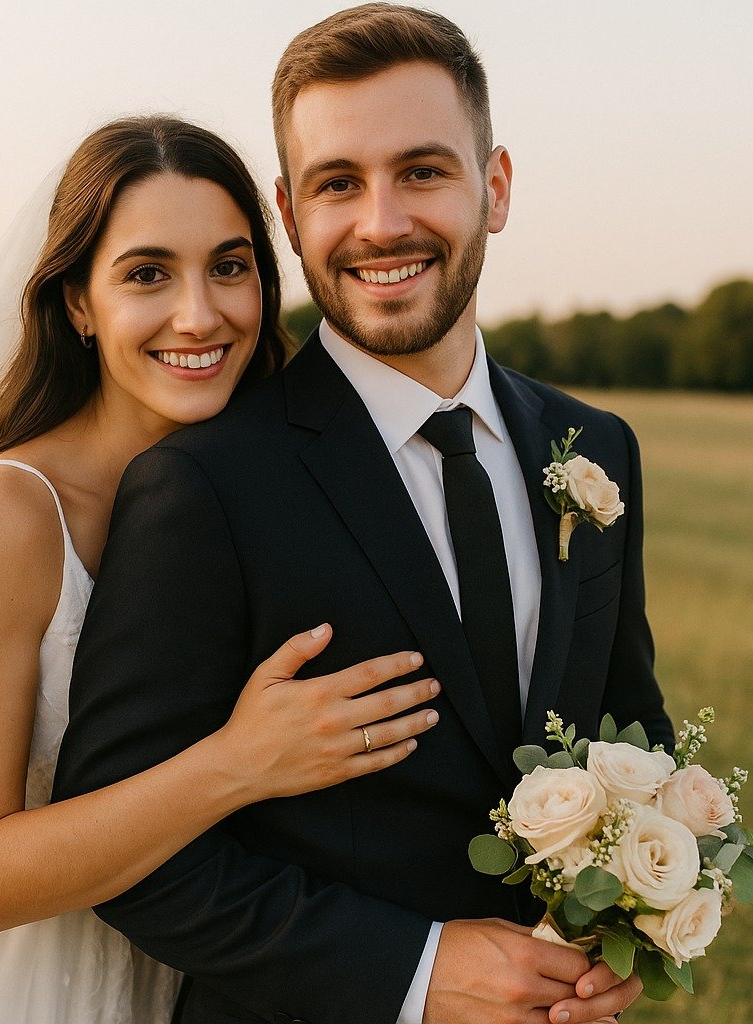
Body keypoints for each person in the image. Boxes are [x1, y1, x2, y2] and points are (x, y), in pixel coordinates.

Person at [52, 6, 676, 1024]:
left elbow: (629, 729)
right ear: (290, 215)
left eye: (423, 171)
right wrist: (417, 970)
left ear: (496, 187)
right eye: (339, 183)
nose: (382, 222)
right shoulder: (204, 483)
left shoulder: (594, 448)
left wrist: (625, 920)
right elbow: (127, 858)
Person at [0, 115, 441, 1024]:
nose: (199, 315)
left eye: (229, 265)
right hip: (18, 986)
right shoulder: (8, 514)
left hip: (207, 974)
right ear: (79, 305)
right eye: (146, 274)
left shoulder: (269, 488)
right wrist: (240, 762)